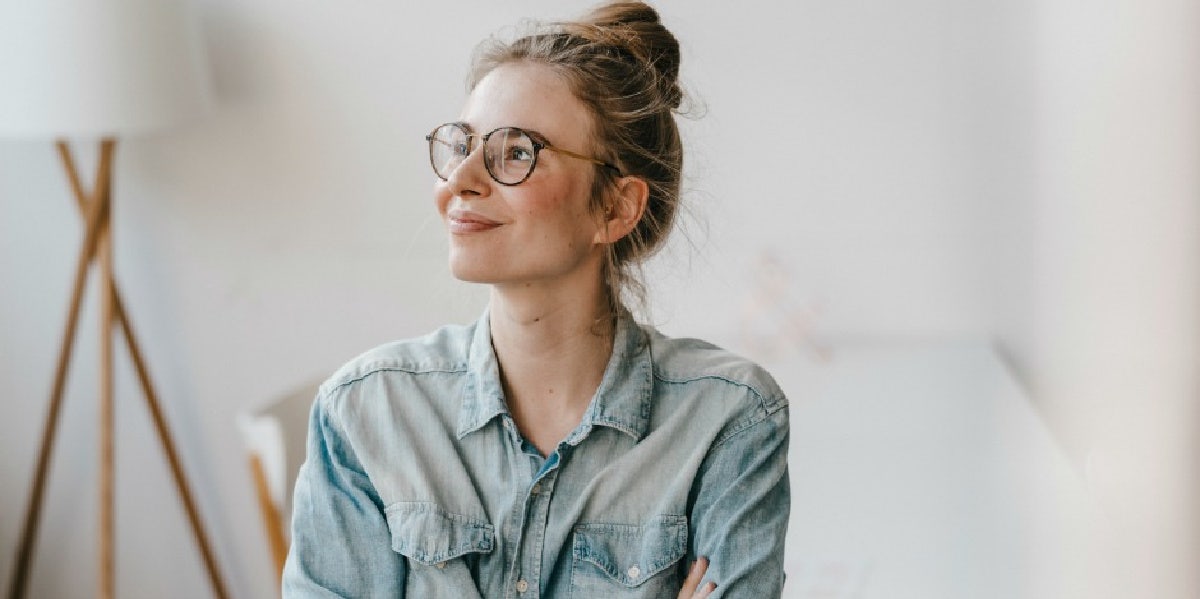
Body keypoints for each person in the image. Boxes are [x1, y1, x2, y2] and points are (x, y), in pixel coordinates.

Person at [282, 2, 789, 597]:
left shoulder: (729, 422)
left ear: (616, 206)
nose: (461, 180)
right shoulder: (366, 413)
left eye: (516, 152)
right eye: (461, 144)